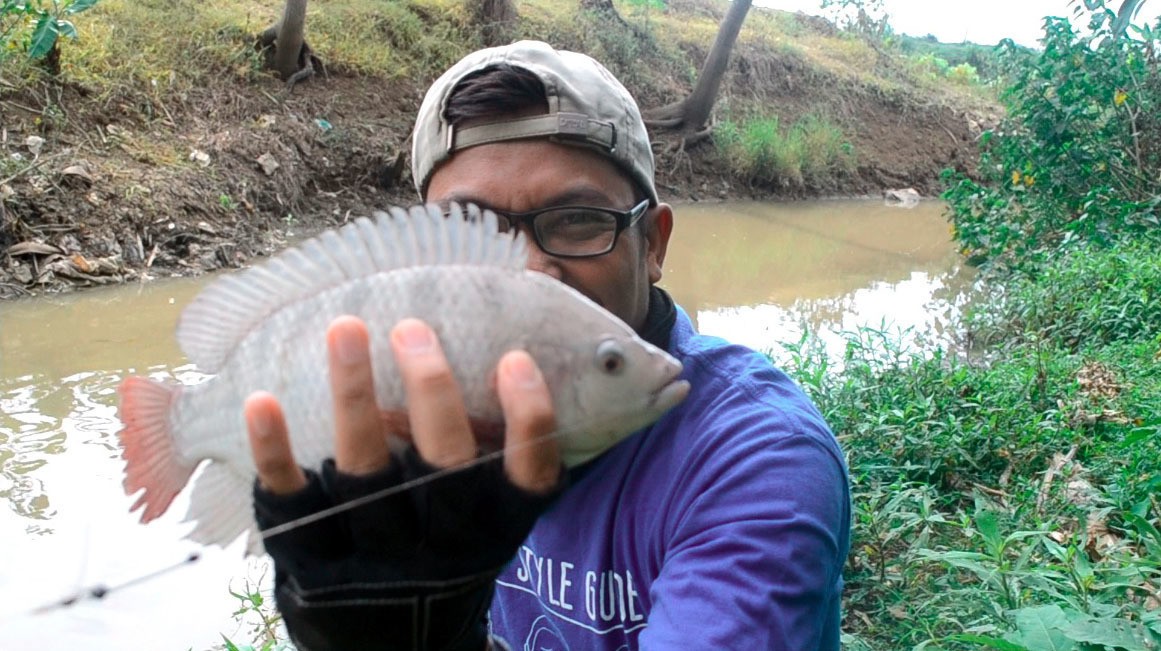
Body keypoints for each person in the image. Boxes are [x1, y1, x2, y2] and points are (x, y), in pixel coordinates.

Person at [243, 40, 851, 650]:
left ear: (653, 244)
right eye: (470, 232)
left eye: (578, 219)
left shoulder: (757, 461)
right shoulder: (405, 429)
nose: (530, 271)